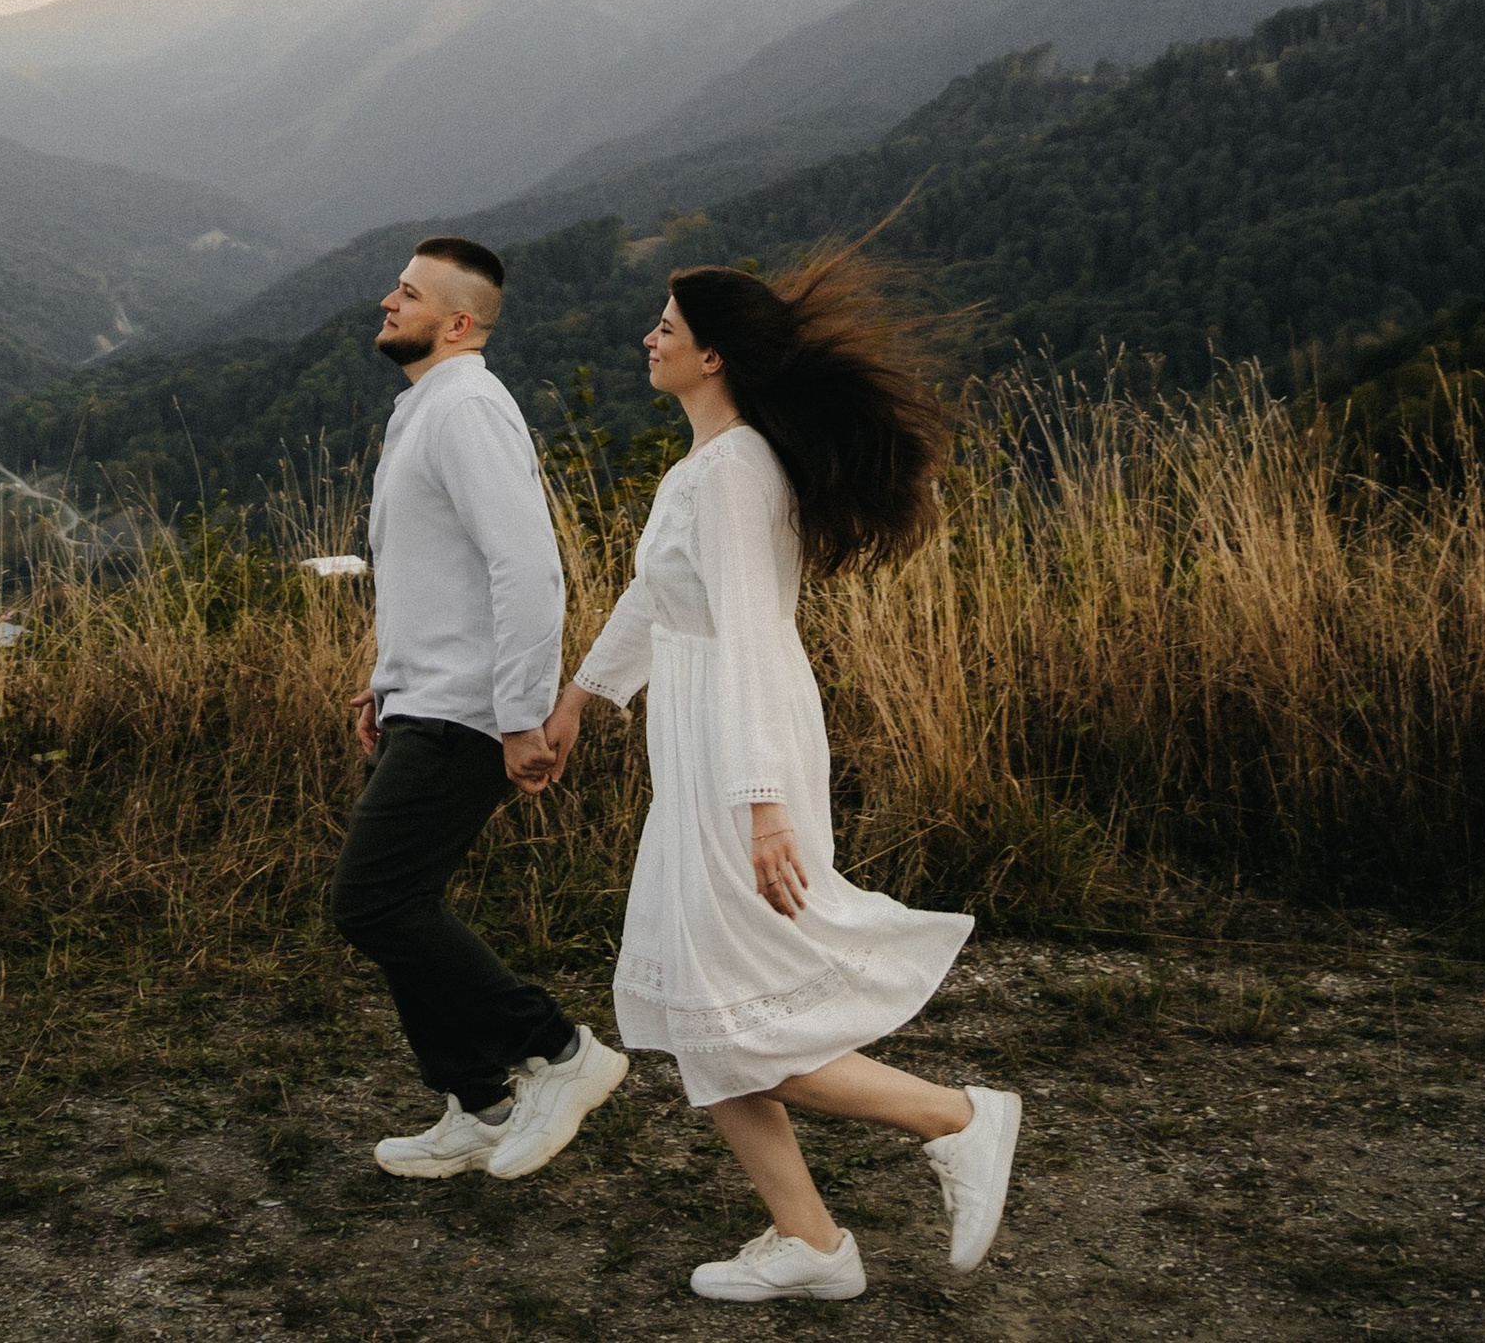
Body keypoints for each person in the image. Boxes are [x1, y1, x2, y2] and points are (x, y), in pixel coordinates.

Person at [536, 258, 1020, 1303]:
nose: (647, 338)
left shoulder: (735, 469)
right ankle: (809, 1239)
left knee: (724, 1010)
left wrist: (762, 804)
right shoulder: (701, 466)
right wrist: (580, 698)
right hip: (702, 743)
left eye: (664, 326)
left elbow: (752, 634)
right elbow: (653, 600)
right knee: (684, 1005)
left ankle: (958, 1116)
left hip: (736, 750)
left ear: (713, 354)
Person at [335, 235, 630, 1183]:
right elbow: (436, 579)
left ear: (458, 323)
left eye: (408, 293)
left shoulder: (466, 408)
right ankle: (479, 1103)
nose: (387, 300)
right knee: (401, 903)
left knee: (371, 902)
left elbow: (528, 570)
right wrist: (385, 682)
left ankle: (563, 1051)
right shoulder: (428, 407)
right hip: (429, 700)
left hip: (469, 712)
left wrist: (517, 716)